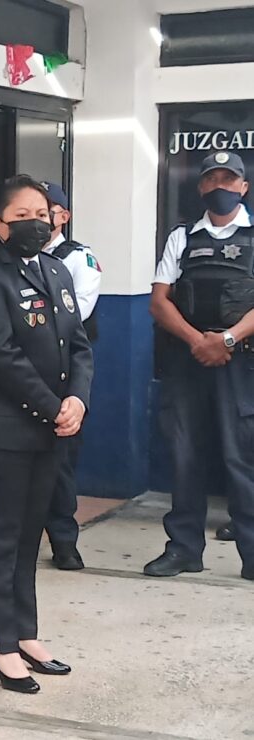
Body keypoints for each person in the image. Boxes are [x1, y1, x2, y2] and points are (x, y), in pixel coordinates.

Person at [0, 175, 93, 694]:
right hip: (2, 428)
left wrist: (77, 399)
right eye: (22, 217)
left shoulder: (56, 271)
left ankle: (26, 633)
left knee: (31, 532)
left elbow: (78, 344)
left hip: (52, 427)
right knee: (0, 536)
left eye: (43, 213)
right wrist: (55, 406)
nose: (36, 223)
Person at [146, 150, 254, 581]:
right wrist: (198, 342)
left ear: (243, 188)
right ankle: (184, 549)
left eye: (229, 181)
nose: (221, 188)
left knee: (240, 459)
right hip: (189, 362)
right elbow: (159, 301)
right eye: (212, 180)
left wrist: (226, 339)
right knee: (185, 457)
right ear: (201, 187)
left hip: (240, 364)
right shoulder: (182, 237)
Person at [40, 182, 102, 570]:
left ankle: (64, 541)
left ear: (64, 216)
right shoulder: (6, 259)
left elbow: (75, 314)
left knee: (61, 459)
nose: (40, 216)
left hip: (62, 370)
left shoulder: (79, 259)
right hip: (20, 365)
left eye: (48, 209)